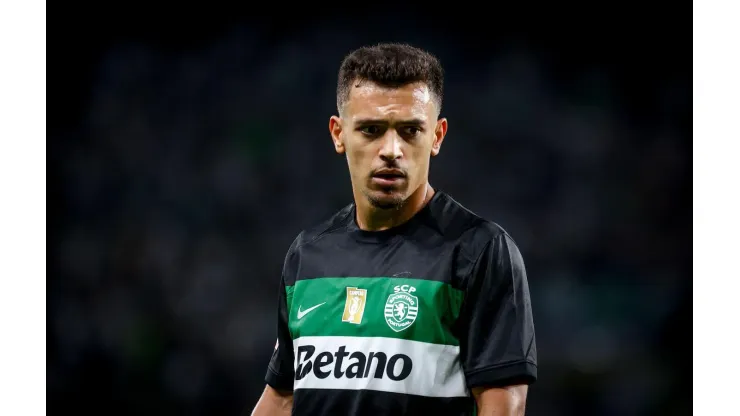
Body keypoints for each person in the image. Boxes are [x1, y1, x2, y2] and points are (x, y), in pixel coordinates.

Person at [250, 42, 537, 416]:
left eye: (409, 131)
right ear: (338, 134)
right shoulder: (308, 254)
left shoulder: (480, 251)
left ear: (436, 136)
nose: (391, 149)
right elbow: (283, 397)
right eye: (371, 129)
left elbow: (503, 406)